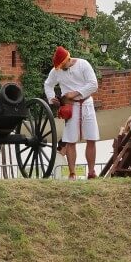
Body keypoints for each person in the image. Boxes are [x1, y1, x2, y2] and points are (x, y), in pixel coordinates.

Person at [44, 46, 99, 179]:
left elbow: (93, 84)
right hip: (70, 106)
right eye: (59, 66)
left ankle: (91, 172)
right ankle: (72, 173)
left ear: (68, 59)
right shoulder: (56, 70)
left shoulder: (83, 64)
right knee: (70, 140)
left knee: (91, 138)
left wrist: (75, 93)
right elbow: (48, 84)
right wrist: (51, 98)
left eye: (63, 65)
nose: (61, 68)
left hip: (86, 103)